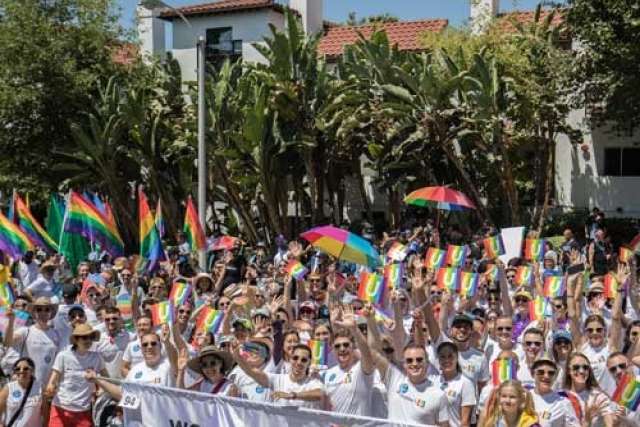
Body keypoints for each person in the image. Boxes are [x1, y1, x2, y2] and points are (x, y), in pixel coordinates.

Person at [45, 324, 107, 427]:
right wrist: (50, 387)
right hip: (60, 408)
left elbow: (105, 378)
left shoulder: (97, 357)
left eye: (90, 337)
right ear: (76, 340)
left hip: (83, 410)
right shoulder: (63, 355)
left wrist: (101, 389)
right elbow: (53, 379)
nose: (88, 340)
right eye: (84, 337)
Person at [230, 342, 324, 409]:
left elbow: (320, 394)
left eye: (304, 360)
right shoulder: (277, 379)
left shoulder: (314, 382)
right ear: (290, 359)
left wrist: (292, 395)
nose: (299, 362)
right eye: (295, 358)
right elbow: (251, 371)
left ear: (309, 363)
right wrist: (237, 356)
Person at [323, 305, 374, 416]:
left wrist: (354, 329)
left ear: (353, 347)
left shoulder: (362, 369)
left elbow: (367, 353)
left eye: (346, 345)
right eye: (337, 346)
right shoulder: (328, 374)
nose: (342, 349)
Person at [4, 298, 61, 388]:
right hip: (27, 384)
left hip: (47, 386)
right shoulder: (26, 331)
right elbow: (7, 342)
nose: (43, 312)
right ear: (34, 312)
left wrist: (54, 382)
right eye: (39, 309)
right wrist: (11, 321)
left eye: (47, 309)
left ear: (51, 313)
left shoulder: (56, 334)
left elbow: (58, 362)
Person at [561, 352, 614, 427]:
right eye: (576, 367)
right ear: (568, 371)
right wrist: (587, 420)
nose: (581, 371)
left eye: (585, 367)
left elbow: (610, 423)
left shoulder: (598, 397)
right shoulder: (560, 397)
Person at [430, 342, 476, 427]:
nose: (446, 360)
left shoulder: (465, 383)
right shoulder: (432, 382)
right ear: (438, 360)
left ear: (457, 358)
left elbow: (465, 421)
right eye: (443, 357)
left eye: (450, 356)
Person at [529, 357, 579, 427]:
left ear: (555, 377)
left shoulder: (563, 403)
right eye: (541, 372)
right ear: (532, 374)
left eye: (551, 373)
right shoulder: (523, 397)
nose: (546, 376)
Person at [0, 357, 42, 427]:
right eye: (17, 369)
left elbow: (45, 413)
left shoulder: (40, 388)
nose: (21, 371)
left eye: (26, 368)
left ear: (32, 371)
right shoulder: (8, 388)